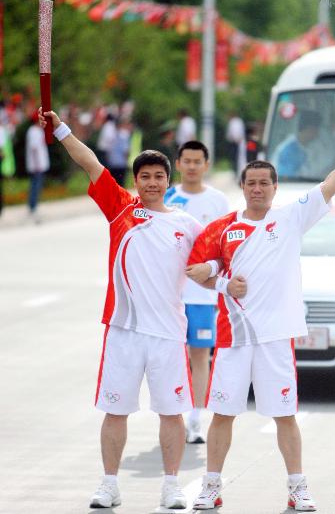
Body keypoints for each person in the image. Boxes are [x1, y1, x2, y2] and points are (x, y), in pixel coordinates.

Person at [185, 134, 335, 511]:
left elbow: (331, 183)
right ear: (241, 187)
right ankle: (211, 486)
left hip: (276, 338)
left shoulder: (290, 218)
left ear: (274, 188)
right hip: (234, 338)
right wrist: (224, 282)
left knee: (284, 415)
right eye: (251, 183)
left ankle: (297, 487)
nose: (257, 189)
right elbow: (196, 270)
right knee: (223, 413)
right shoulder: (223, 228)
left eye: (264, 183)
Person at [38, 107, 203, 510]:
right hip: (124, 330)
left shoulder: (187, 225)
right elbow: (90, 161)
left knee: (172, 413)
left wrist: (226, 283)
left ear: (169, 181)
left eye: (158, 176)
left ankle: (170, 486)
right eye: (144, 176)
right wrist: (60, 129)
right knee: (115, 411)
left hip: (167, 333)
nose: (151, 182)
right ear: (135, 180)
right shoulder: (121, 209)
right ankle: (109, 484)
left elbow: (207, 271)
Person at [165, 141, 229, 444]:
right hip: (170, 295)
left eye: (197, 161)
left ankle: (195, 419)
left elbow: (226, 247)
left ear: (206, 165)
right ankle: (174, 414)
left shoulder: (218, 201)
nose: (191, 166)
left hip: (203, 296)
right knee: (173, 358)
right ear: (178, 164)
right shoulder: (166, 197)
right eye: (186, 161)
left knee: (200, 355)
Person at [272, 110, 321, 178]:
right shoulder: (288, 151)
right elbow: (287, 179)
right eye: (316, 130)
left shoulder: (307, 146)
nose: (317, 134)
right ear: (309, 128)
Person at [25, 113, 50, 223]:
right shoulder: (33, 131)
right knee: (35, 185)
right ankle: (33, 206)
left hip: (39, 164)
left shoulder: (37, 131)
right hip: (37, 165)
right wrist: (37, 165)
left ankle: (33, 205)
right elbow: (34, 148)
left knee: (36, 185)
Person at [105, 117, 132, 186]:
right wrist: (127, 161)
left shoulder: (111, 135)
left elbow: (108, 150)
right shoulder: (124, 135)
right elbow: (126, 151)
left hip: (112, 163)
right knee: (121, 184)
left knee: (114, 184)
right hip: (121, 164)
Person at [225, 110, 246, 178]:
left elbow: (232, 133)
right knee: (239, 158)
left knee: (235, 158)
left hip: (235, 142)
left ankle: (236, 172)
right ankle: (237, 172)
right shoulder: (239, 121)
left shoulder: (233, 122)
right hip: (239, 141)